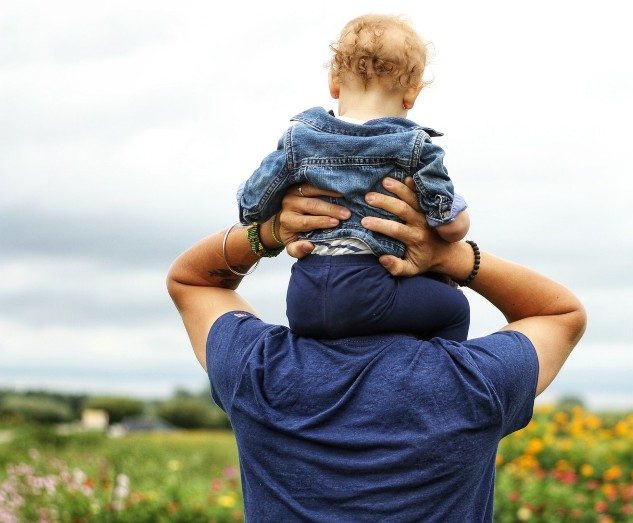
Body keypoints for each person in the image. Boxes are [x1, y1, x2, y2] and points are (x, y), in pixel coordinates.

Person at [167, 178, 586, 520]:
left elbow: (193, 281)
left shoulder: (259, 370)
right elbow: (560, 314)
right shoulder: (474, 384)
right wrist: (452, 257)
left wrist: (270, 232)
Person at [237, 14, 472, 341]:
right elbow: (448, 225)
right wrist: (458, 217)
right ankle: (439, 379)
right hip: (371, 291)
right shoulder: (415, 147)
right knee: (454, 308)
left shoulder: (298, 140)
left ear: (333, 83)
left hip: (304, 295)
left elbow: (252, 206)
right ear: (411, 95)